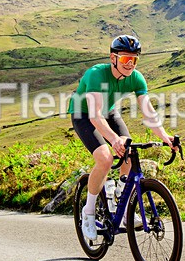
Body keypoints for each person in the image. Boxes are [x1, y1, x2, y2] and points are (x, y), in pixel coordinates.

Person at [68, 35, 177, 240]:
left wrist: (165, 136)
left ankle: (122, 201)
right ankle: (89, 212)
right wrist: (113, 139)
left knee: (129, 152)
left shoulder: (136, 78)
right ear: (113, 58)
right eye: (126, 59)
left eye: (134, 60)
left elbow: (148, 112)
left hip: (109, 112)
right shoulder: (96, 75)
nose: (130, 65)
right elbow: (95, 115)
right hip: (84, 114)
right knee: (105, 157)